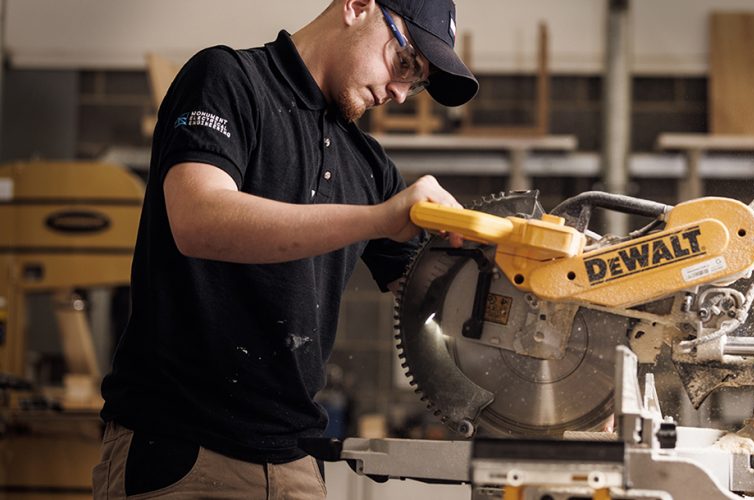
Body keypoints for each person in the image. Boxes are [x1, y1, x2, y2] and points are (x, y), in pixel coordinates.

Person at [93, 0, 476, 497]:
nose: (402, 93)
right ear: (358, 7)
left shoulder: (368, 165)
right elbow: (197, 219)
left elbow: (437, 300)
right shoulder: (227, 80)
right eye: (404, 62)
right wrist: (378, 218)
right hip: (183, 452)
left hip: (295, 461)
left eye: (417, 80)